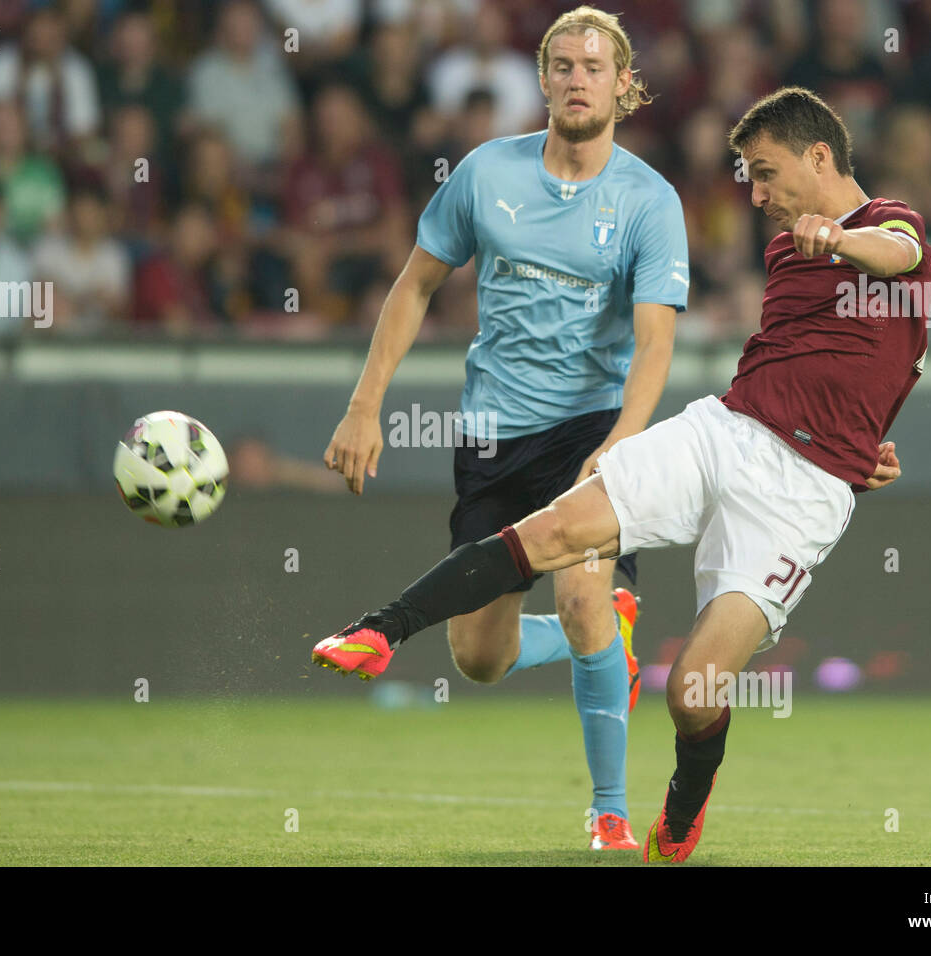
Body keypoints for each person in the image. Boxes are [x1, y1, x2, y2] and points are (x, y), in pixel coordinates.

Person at [314, 85, 925, 863]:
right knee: (558, 530)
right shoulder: (783, 251)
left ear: (819, 156)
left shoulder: (889, 228)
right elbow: (822, 360)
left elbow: (897, 258)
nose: (759, 195)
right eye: (750, 178)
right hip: (727, 429)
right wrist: (849, 424)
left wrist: (851, 428)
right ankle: (381, 628)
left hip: (802, 493)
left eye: (766, 174)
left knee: (694, 689)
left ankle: (683, 808)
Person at [321, 6, 689, 851]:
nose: (576, 79)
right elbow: (414, 285)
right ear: (543, 78)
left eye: (594, 66)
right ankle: (601, 645)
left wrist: (626, 435)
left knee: (584, 588)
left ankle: (608, 813)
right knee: (478, 660)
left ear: (624, 85)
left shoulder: (649, 200)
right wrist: (366, 403)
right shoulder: (487, 174)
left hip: (590, 430)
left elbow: (656, 340)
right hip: (492, 435)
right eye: (561, 65)